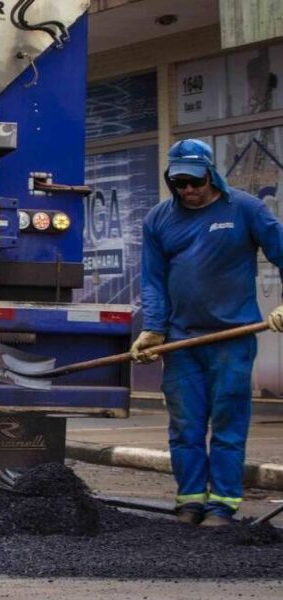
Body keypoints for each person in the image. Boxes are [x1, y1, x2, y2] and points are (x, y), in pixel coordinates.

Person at [131, 139, 283, 527]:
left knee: (229, 424)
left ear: (211, 174)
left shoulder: (244, 209)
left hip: (232, 338)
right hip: (182, 342)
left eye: (195, 182)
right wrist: (153, 329)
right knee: (185, 426)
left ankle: (223, 505)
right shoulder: (159, 219)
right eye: (179, 184)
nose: (188, 191)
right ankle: (190, 501)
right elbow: (153, 280)